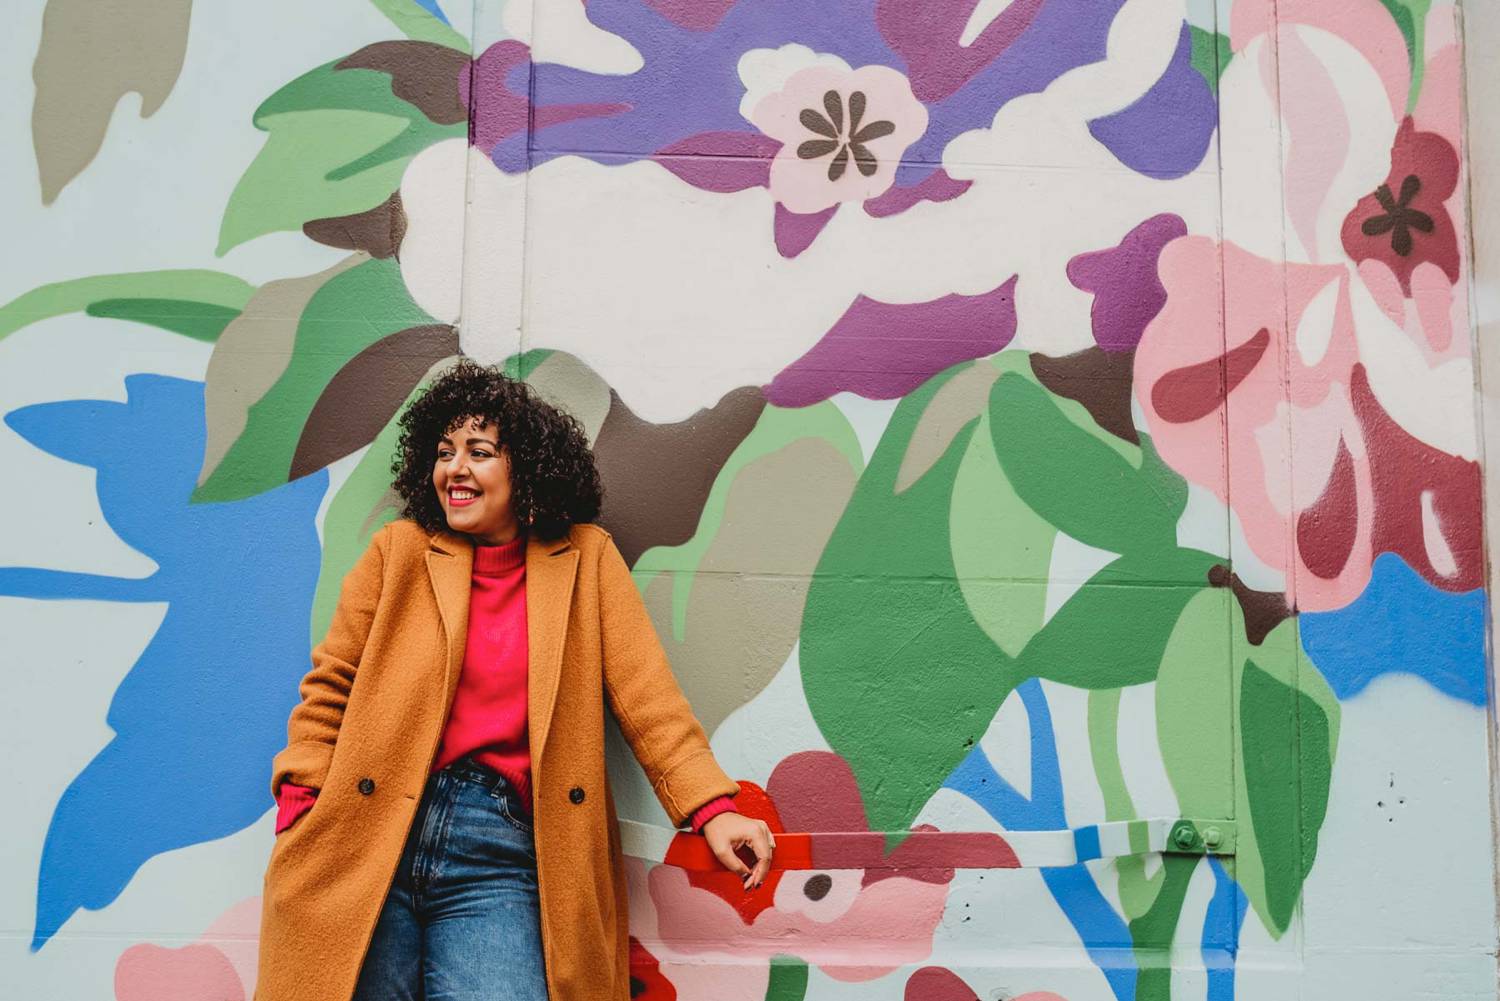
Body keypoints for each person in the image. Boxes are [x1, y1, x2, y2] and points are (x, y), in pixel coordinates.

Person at [253, 358, 775, 1001]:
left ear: (525, 467)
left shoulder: (586, 560)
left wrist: (711, 808)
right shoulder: (399, 552)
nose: (455, 468)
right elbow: (331, 683)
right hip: (368, 831)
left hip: (499, 851)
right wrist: (301, 798)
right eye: (444, 452)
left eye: (479, 451)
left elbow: (649, 700)